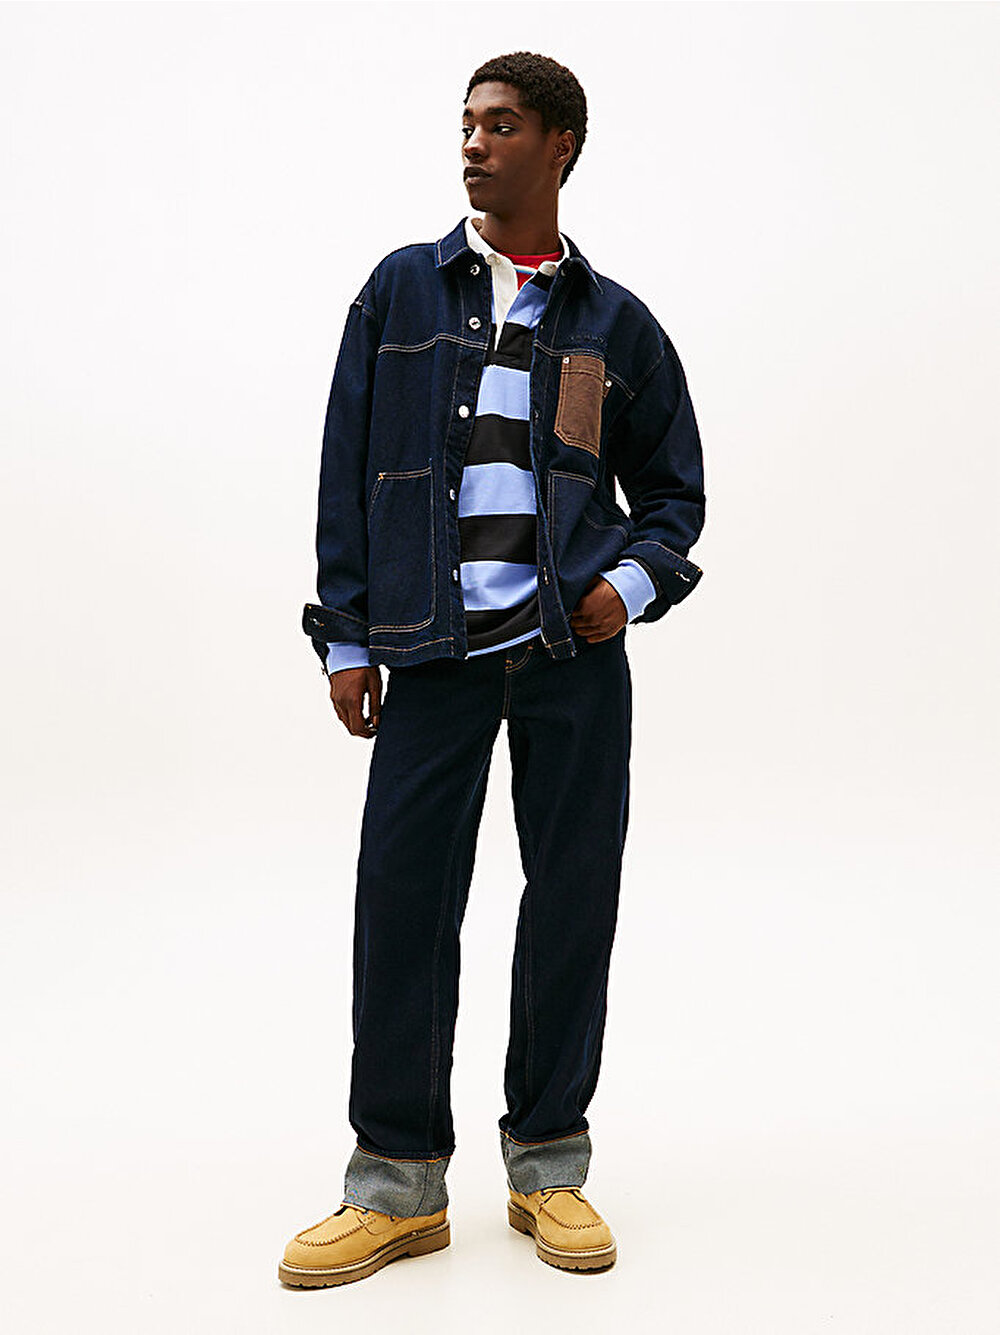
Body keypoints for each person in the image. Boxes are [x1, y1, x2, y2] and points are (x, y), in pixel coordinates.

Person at [280, 49, 706, 1288]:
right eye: (467, 123)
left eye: (502, 124)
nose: (473, 142)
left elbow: (672, 497)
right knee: (402, 902)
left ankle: (548, 1168)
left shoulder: (616, 325)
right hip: (432, 651)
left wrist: (625, 588)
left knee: (570, 900)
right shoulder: (400, 292)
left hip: (570, 656)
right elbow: (345, 467)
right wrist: (347, 636)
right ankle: (396, 1185)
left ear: (560, 144)